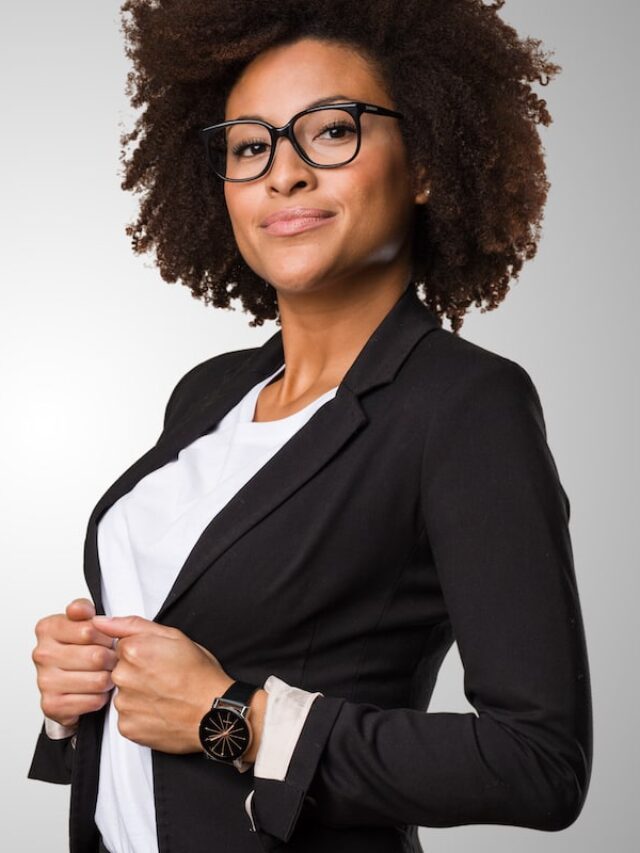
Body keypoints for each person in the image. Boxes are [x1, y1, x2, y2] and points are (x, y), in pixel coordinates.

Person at [27, 2, 593, 852]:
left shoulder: (465, 405)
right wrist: (84, 689)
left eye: (332, 132)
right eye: (251, 146)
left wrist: (237, 721)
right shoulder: (210, 392)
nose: (282, 175)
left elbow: (538, 761)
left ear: (426, 164)